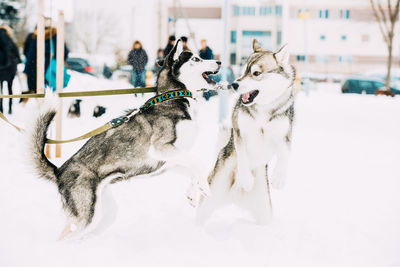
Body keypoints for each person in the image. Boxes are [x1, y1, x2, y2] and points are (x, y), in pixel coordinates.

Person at [23, 27, 69, 94]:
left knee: (39, 91)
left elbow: (30, 55)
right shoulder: (56, 36)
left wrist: (26, 70)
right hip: (52, 68)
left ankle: (42, 102)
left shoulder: (36, 37)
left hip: (36, 68)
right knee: (53, 90)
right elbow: (65, 53)